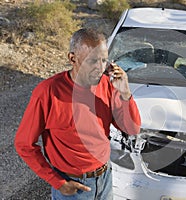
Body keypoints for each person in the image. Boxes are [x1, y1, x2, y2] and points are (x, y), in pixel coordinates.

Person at [14, 28, 141, 199]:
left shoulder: (108, 85)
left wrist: (125, 94)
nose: (100, 68)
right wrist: (58, 182)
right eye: (92, 61)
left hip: (105, 178)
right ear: (72, 58)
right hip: (73, 187)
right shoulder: (48, 92)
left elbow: (132, 128)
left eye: (104, 60)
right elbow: (24, 144)